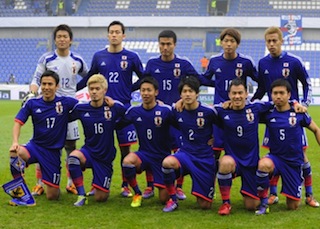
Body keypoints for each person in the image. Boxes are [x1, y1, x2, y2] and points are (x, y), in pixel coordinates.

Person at [139, 30, 214, 200]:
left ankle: (178, 187)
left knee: (178, 149)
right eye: (162, 44)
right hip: (158, 115)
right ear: (158, 45)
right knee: (153, 148)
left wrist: (225, 84)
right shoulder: (151, 64)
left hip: (178, 115)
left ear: (174, 45)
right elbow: (143, 83)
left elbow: (199, 80)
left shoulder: (183, 64)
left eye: (168, 44)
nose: (165, 47)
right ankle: (150, 185)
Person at [251, 26, 318, 207]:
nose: (272, 44)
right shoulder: (263, 63)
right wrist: (250, 102)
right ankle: (272, 194)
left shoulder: (294, 61)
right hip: (274, 113)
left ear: (281, 41)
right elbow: (262, 89)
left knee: (301, 156)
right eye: (268, 41)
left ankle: (309, 195)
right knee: (274, 152)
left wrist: (303, 104)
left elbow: (307, 83)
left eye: (275, 41)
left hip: (294, 114)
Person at [77, 20, 144, 198]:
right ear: (107, 35)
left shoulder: (132, 57)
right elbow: (90, 77)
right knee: (97, 147)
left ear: (123, 35)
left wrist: (129, 88)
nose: (114, 35)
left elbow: (143, 78)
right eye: (111, 32)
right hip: (101, 111)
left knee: (125, 149)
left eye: (117, 32)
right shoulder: (99, 56)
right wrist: (72, 90)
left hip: (122, 109)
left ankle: (125, 185)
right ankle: (95, 183)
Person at [24, 24, 88, 197]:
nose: (61, 39)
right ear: (55, 39)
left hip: (69, 108)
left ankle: (70, 183)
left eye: (65, 36)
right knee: (42, 145)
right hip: (49, 108)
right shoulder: (47, 59)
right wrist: (32, 93)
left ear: (70, 40)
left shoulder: (78, 60)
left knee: (70, 145)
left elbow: (88, 77)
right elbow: (36, 78)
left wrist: (76, 89)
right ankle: (39, 183)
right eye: (58, 36)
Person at [9, 70, 78, 205]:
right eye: (44, 84)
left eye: (50, 84)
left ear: (57, 86)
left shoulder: (65, 102)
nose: (46, 87)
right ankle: (21, 192)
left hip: (52, 153)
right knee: (15, 152)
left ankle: (51, 183)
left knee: (52, 196)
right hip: (35, 147)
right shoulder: (32, 103)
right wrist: (15, 142)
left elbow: (86, 107)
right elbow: (18, 122)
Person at [255, 79, 320, 215]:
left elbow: (316, 129)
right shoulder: (268, 113)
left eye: (281, 93)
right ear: (271, 95)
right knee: (263, 165)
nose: (278, 96)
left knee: (293, 206)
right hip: (276, 158)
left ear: (289, 94)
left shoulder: (299, 113)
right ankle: (264, 202)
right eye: (275, 93)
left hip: (293, 162)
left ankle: (305, 194)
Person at [202, 27, 258, 176]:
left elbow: (261, 81)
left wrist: (251, 100)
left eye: (232, 41)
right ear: (221, 43)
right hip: (220, 115)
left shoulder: (246, 62)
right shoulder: (214, 61)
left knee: (240, 150)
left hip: (240, 116)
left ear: (237, 44)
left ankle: (249, 182)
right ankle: (211, 187)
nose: (228, 44)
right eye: (225, 41)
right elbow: (205, 79)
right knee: (214, 153)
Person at [67, 74, 126, 206]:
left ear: (104, 90)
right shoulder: (81, 108)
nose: (94, 92)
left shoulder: (114, 107)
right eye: (91, 88)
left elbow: (130, 115)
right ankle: (81, 195)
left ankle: (98, 182)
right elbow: (65, 118)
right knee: (72, 158)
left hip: (105, 158)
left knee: (101, 198)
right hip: (88, 152)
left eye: (97, 88)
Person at [161, 76, 217, 212]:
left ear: (197, 93)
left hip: (204, 158)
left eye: (191, 91)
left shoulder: (209, 112)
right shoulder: (177, 111)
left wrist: (216, 138)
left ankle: (214, 170)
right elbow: (172, 122)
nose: (187, 94)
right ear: (180, 94)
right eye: (184, 91)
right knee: (167, 162)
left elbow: (224, 125)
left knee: (205, 206)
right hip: (185, 154)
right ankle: (173, 200)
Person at [121, 77, 172, 207]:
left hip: (162, 158)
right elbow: (117, 124)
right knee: (127, 161)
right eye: (143, 90)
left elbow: (181, 124)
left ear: (156, 92)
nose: (145, 93)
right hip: (143, 154)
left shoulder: (166, 111)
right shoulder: (134, 111)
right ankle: (137, 193)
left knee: (164, 199)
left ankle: (172, 186)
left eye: (149, 90)